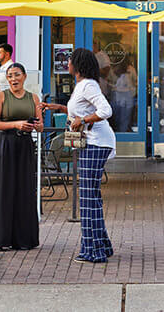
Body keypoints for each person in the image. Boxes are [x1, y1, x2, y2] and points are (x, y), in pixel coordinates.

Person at [0, 63, 44, 251]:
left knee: (25, 189)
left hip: (25, 144)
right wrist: (16, 124)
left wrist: (33, 125)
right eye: (10, 76)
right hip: (6, 144)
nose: (13, 79)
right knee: (5, 188)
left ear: (25, 77)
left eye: (17, 75)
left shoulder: (34, 98)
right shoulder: (1, 97)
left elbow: (41, 126)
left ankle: (24, 239)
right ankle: (1, 239)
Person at [66, 47, 116, 263]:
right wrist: (58, 107)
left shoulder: (87, 85)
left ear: (77, 65)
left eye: (69, 60)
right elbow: (81, 112)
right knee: (90, 197)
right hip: (94, 143)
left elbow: (106, 110)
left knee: (87, 198)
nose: (66, 63)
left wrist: (84, 121)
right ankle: (101, 246)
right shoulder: (83, 85)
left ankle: (93, 251)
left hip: (96, 143)